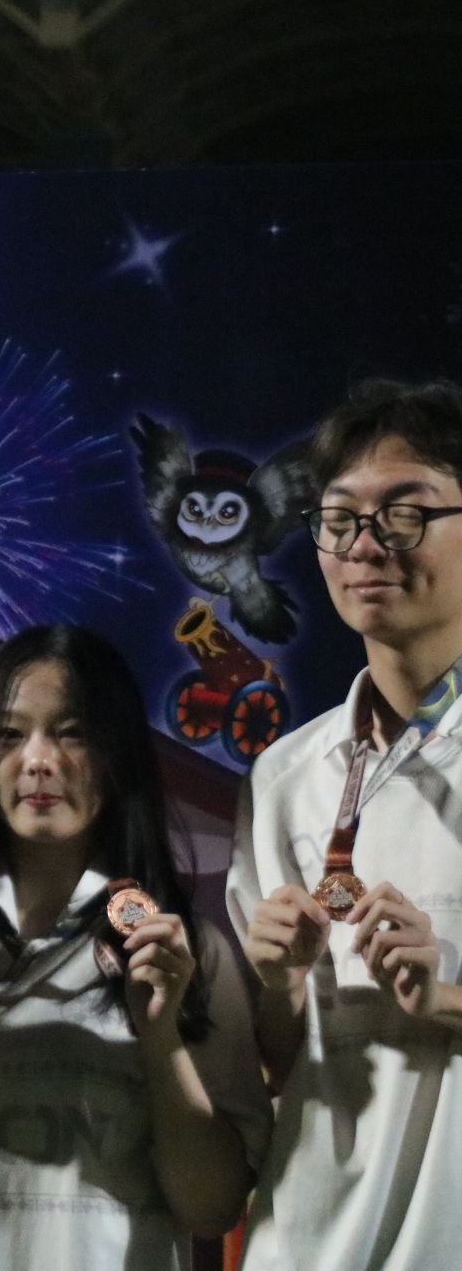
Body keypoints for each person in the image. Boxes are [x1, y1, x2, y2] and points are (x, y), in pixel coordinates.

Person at [0, 625, 270, 1269]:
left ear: (117, 754)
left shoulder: (184, 957)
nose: (37, 759)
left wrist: (162, 1040)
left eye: (72, 732)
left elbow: (213, 1209)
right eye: (9, 734)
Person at [229, 378, 462, 1269]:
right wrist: (280, 986)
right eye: (339, 520)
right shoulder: (284, 776)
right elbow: (277, 1065)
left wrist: (444, 999)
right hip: (310, 1243)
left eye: (405, 515)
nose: (366, 545)